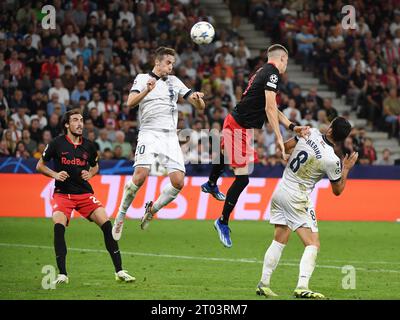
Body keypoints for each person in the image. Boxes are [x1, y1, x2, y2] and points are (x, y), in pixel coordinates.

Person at [201, 44, 309, 248]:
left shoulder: (263, 71)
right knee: (242, 179)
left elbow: (272, 107)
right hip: (238, 126)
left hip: (235, 121)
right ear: (283, 58)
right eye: (287, 62)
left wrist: (292, 127)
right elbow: (269, 107)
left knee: (225, 155)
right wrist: (279, 138)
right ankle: (222, 221)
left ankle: (212, 183)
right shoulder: (273, 74)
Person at [256, 117, 358, 299]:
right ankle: (302, 286)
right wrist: (346, 168)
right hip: (297, 198)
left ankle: (264, 284)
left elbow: (285, 147)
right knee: (313, 244)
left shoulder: (309, 132)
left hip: (280, 190)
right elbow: (337, 190)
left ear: (330, 129)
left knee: (280, 239)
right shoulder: (332, 160)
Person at [112, 47, 205, 240]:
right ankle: (121, 215)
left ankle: (152, 210)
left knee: (179, 182)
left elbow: (199, 107)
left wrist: (198, 100)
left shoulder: (174, 82)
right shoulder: (142, 78)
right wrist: (148, 88)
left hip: (170, 136)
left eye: (173, 63)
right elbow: (130, 102)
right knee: (139, 177)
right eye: (168, 63)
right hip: (148, 133)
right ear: (158, 62)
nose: (171, 67)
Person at [36, 110, 135, 285]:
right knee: (59, 227)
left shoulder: (89, 145)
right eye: (75, 120)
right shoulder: (56, 143)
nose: (80, 123)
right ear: (67, 124)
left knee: (107, 225)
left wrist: (90, 173)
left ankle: (119, 271)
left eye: (81, 120)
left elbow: (95, 167)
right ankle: (63, 274)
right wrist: (55, 175)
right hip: (63, 195)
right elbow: (40, 165)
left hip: (84, 193)